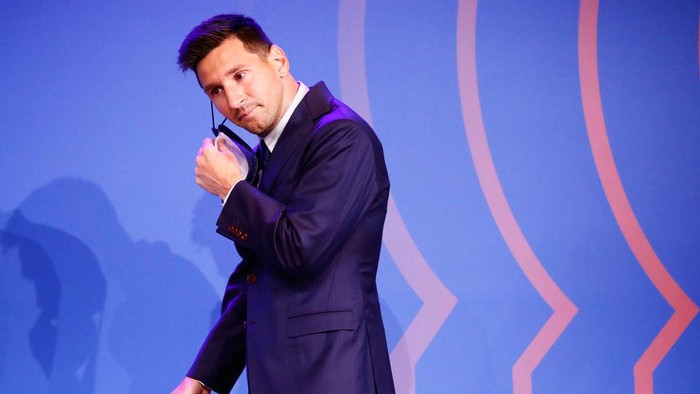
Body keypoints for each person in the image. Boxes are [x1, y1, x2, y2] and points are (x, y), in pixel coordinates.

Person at [171, 14, 396, 394]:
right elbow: (259, 276)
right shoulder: (268, 153)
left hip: (333, 373)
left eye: (239, 75)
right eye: (215, 91)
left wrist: (231, 188)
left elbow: (299, 248)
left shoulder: (341, 136)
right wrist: (203, 376)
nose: (233, 100)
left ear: (278, 61)